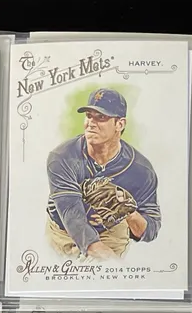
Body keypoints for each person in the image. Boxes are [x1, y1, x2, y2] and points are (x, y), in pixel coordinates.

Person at [45, 88, 162, 259]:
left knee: (108, 268)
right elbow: (71, 213)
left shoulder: (140, 170)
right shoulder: (62, 156)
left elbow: (150, 230)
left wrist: (129, 213)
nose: (91, 123)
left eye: (101, 117)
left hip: (110, 232)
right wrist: (104, 255)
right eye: (89, 116)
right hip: (63, 232)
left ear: (120, 124)